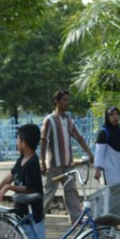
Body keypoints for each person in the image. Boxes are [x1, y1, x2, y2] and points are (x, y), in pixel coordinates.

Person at [0, 123, 46, 239]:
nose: (16, 143)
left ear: (24, 143)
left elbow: (30, 189)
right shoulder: (21, 160)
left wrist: (9, 187)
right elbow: (9, 177)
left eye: (18, 140)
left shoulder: (33, 163)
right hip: (21, 212)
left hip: (32, 215)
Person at [40, 90, 94, 223]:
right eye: (64, 100)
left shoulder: (68, 121)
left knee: (71, 191)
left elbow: (79, 137)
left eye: (68, 100)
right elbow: (43, 141)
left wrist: (89, 153)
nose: (66, 103)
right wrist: (42, 161)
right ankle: (37, 218)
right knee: (48, 193)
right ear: (57, 102)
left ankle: (76, 218)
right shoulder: (49, 120)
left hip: (68, 164)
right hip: (54, 165)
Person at [93, 107, 120, 188]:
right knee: (112, 192)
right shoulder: (104, 133)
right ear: (107, 117)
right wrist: (98, 169)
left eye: (117, 114)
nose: (115, 117)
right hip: (109, 169)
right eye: (112, 115)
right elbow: (99, 152)